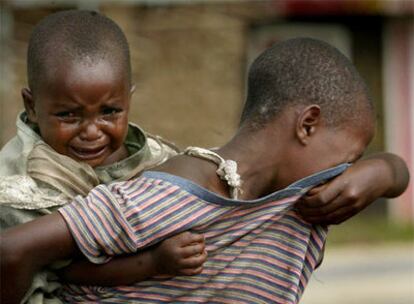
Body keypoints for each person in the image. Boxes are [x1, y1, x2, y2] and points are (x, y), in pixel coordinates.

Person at [1, 38, 409, 304]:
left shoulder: (301, 208)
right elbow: (12, 250)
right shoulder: (167, 197)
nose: (346, 173)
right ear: (306, 124)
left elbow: (399, 174)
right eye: (350, 157)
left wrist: (381, 173)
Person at [0, 10, 206, 304]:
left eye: (110, 112)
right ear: (32, 106)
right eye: (68, 115)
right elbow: (72, 271)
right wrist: (154, 263)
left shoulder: (151, 156)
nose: (92, 132)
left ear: (128, 99)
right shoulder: (20, 187)